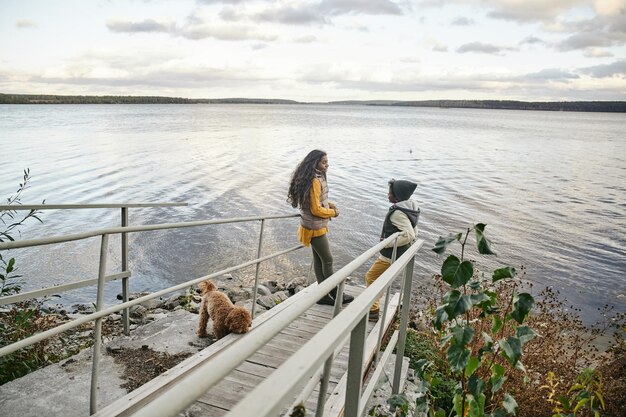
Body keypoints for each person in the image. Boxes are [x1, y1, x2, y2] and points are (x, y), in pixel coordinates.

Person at [287, 150, 354, 306]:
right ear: (315, 163)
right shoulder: (314, 181)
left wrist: (329, 204)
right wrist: (333, 212)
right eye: (324, 162)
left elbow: (316, 201)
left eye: (327, 161)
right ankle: (337, 294)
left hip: (312, 225)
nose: (327, 164)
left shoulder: (313, 177)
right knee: (328, 260)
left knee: (319, 260)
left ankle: (323, 295)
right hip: (314, 227)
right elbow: (315, 209)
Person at [366, 179, 419, 321]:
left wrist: (386, 243)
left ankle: (373, 311)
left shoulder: (398, 213)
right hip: (400, 254)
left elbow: (409, 235)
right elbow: (414, 231)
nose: (387, 194)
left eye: (390, 192)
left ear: (397, 196)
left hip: (390, 255)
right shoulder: (411, 207)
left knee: (371, 277)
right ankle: (374, 307)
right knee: (381, 279)